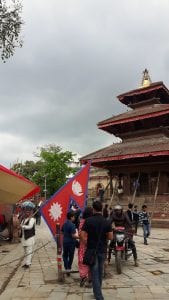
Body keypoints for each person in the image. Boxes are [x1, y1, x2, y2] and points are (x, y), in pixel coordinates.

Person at [81, 200, 113, 300]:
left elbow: (82, 235)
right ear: (102, 208)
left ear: (93, 209)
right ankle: (97, 292)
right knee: (99, 272)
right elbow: (111, 237)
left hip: (92, 249)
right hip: (102, 250)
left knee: (94, 273)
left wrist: (87, 243)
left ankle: (99, 296)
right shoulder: (106, 221)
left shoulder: (88, 220)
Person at [78, 207, 93, 287]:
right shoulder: (91, 221)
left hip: (83, 245)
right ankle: (90, 279)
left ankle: (83, 276)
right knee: (91, 261)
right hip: (90, 244)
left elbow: (80, 234)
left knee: (82, 261)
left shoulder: (81, 222)